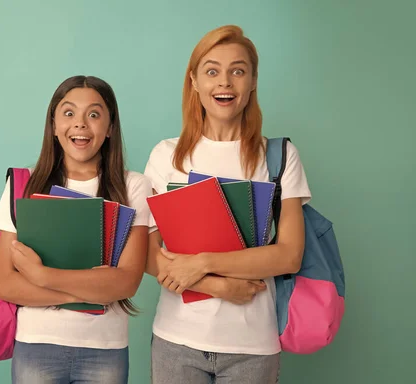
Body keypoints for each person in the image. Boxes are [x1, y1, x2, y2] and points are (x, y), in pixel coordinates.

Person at [144, 25, 312, 383]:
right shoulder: (166, 156)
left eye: (238, 71)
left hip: (253, 347)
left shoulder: (279, 157)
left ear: (252, 81)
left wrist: (203, 263)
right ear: (194, 81)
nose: (225, 82)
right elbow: (147, 254)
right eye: (212, 71)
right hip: (176, 342)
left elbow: (289, 255)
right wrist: (217, 285)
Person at [0, 75, 152, 384]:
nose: (80, 124)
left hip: (105, 349)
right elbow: (6, 284)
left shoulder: (134, 186)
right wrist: (91, 289)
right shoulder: (24, 184)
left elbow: (126, 283)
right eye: (68, 113)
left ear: (111, 128)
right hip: (36, 346)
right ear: (53, 125)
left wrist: (42, 276)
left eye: (94, 114)